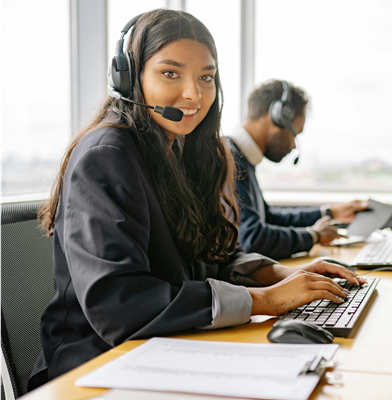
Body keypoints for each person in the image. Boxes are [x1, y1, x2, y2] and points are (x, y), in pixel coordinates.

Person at [29, 9, 363, 390]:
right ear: (129, 76)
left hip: (165, 350)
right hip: (93, 368)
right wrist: (263, 301)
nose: (194, 94)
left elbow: (208, 257)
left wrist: (277, 274)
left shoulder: (183, 152)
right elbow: (119, 306)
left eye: (206, 77)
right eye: (171, 73)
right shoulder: (107, 155)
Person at [227, 80, 369, 260]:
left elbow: (268, 217)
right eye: (295, 133)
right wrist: (313, 236)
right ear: (278, 116)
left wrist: (329, 213)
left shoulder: (242, 157)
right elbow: (253, 239)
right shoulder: (230, 160)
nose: (294, 145)